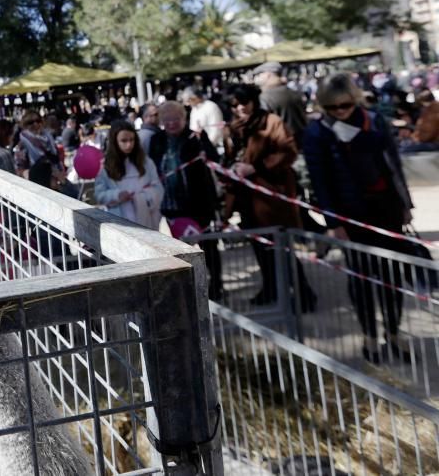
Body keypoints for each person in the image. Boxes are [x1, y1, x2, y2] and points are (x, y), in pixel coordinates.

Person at [303, 73, 415, 363]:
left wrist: (405, 203)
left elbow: (393, 165)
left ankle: (393, 331)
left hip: (387, 210)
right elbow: (321, 182)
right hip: (350, 216)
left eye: (345, 105)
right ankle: (370, 335)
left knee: (392, 274)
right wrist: (334, 223)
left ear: (354, 99)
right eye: (333, 107)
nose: (341, 111)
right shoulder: (317, 132)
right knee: (362, 278)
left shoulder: (374, 120)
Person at [223, 84, 317, 310]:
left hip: (271, 198)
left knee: (281, 250)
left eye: (243, 103)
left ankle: (304, 294)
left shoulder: (272, 122)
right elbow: (232, 156)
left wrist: (256, 167)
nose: (240, 108)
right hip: (246, 198)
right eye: (234, 105)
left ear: (254, 101)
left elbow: (288, 151)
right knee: (260, 248)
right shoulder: (234, 127)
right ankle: (271, 289)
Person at [148, 101, 224, 299]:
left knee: (208, 246)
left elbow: (213, 158)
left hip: (198, 201)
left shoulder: (195, 136)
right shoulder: (157, 139)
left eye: (176, 119)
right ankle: (189, 287)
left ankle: (216, 284)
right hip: (171, 204)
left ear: (184, 118)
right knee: (181, 248)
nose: (171, 123)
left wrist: (203, 146)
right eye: (167, 120)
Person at [94, 120, 163, 229]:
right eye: (124, 140)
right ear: (115, 141)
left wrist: (143, 197)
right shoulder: (105, 166)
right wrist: (117, 195)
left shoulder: (146, 162)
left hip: (146, 221)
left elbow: (158, 188)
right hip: (120, 223)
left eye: (132, 140)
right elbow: (99, 194)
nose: (129, 144)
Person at [252, 62, 308, 138]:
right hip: (301, 141)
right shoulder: (295, 93)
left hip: (282, 143)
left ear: (267, 74)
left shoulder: (264, 98)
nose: (255, 78)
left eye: (258, 75)